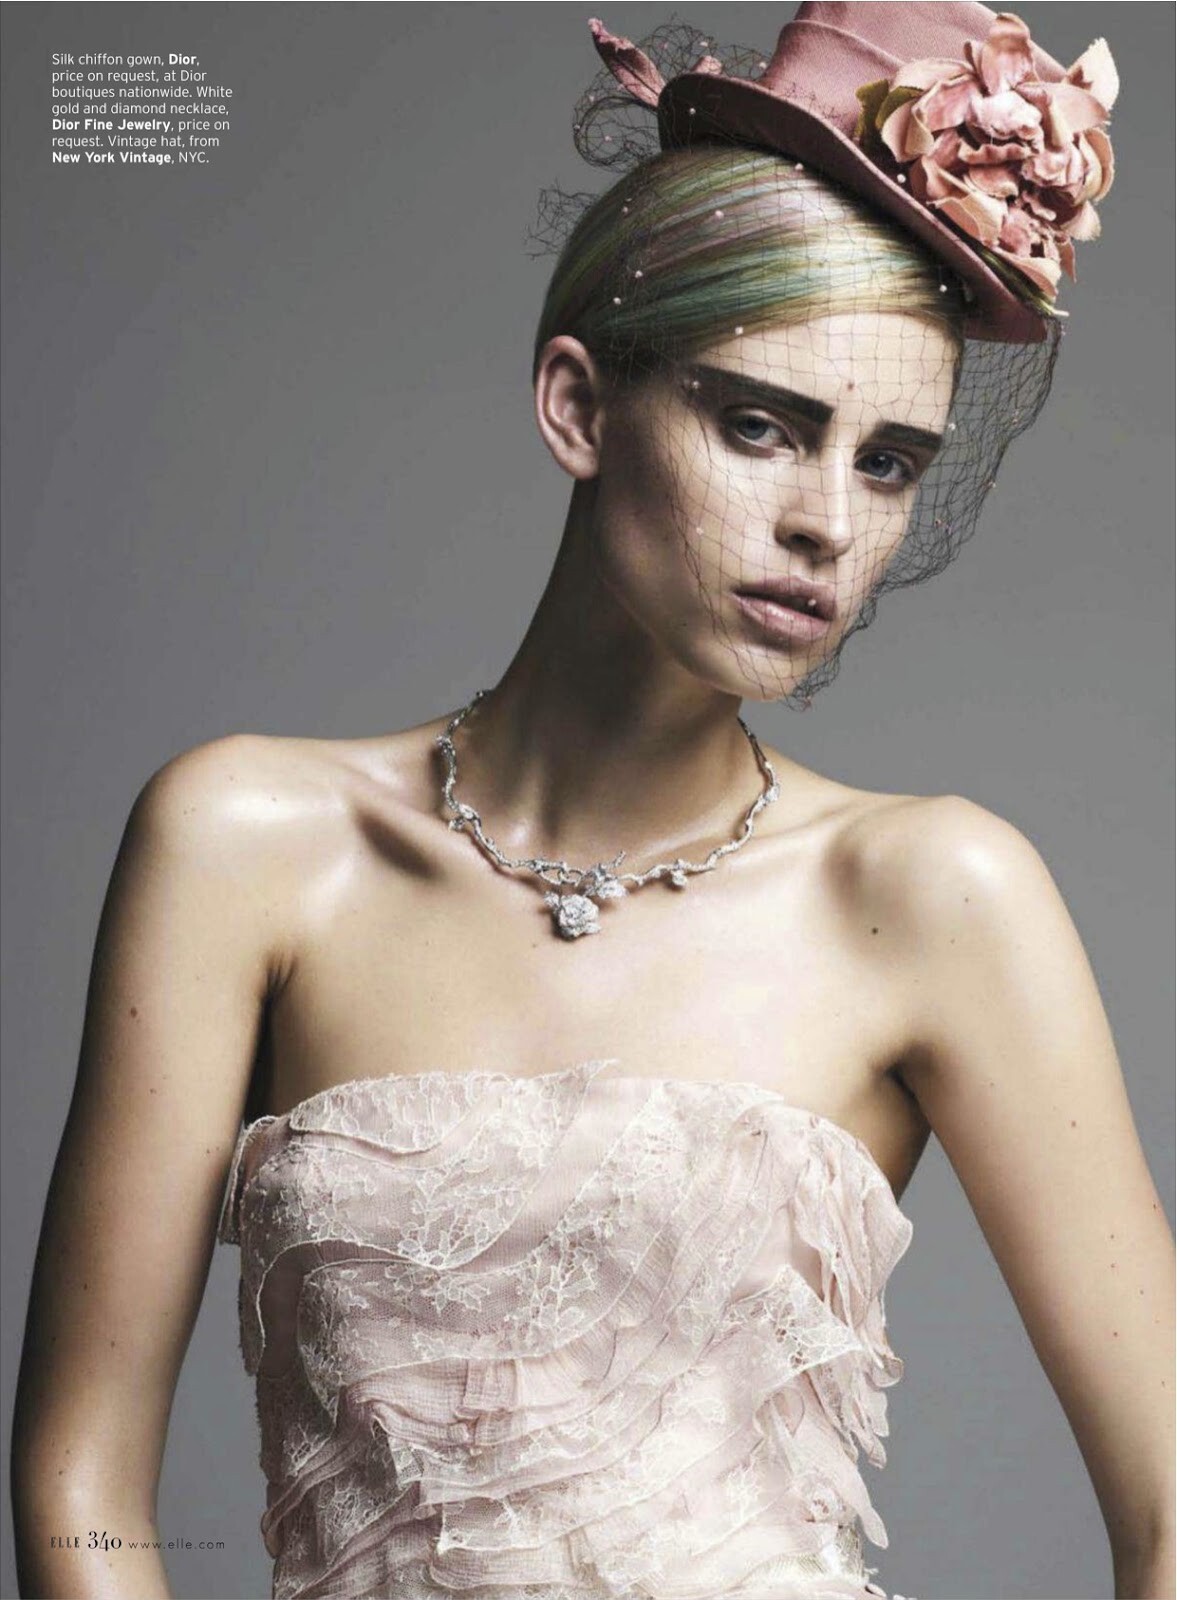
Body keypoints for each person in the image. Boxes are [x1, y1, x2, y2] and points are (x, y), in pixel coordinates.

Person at [11, 5, 1173, 1598]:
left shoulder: (929, 893)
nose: (824, 524)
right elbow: (79, 1484)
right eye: (757, 424)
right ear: (577, 405)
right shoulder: (246, 846)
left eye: (887, 462)